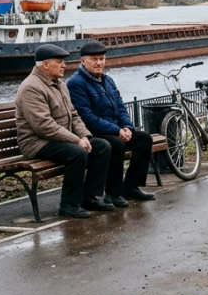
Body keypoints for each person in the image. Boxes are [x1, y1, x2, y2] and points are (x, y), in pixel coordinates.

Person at [15, 44, 112, 218]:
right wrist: (76, 140)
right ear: (45, 65)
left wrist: (84, 135)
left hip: (57, 138)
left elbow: (74, 115)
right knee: (77, 153)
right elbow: (44, 126)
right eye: (59, 62)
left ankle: (88, 197)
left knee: (102, 146)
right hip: (35, 143)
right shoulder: (32, 87)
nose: (64, 66)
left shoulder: (59, 83)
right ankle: (68, 205)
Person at [66, 40, 157, 208]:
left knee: (144, 139)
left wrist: (127, 127)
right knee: (116, 144)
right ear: (83, 61)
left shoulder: (108, 80)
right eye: (94, 59)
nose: (99, 63)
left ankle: (130, 187)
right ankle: (112, 194)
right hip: (95, 131)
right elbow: (86, 117)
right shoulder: (76, 83)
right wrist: (117, 131)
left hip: (114, 128)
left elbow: (121, 107)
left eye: (102, 58)